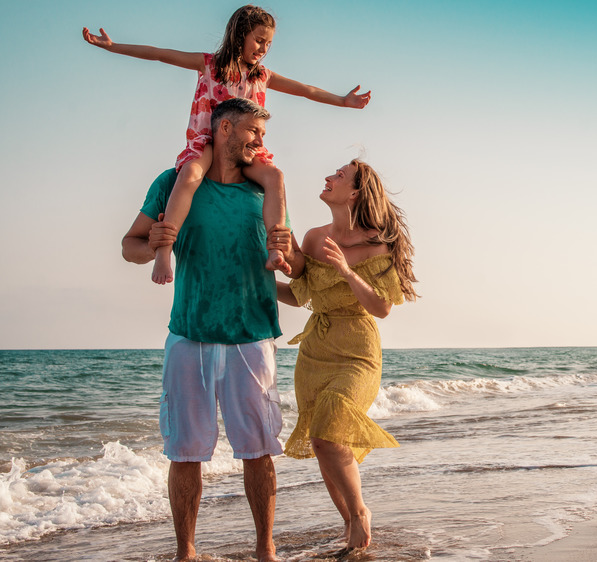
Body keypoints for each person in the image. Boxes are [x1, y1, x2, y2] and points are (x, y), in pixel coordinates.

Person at [122, 97, 303, 562]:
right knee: (184, 453)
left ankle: (266, 549)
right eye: (252, 132)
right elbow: (129, 246)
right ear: (224, 129)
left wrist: (290, 251)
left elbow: (295, 265)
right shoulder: (174, 183)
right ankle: (186, 553)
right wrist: (156, 244)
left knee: (258, 449)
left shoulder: (265, 191)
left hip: (252, 335)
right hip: (189, 334)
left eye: (262, 135)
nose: (260, 144)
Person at [84, 4, 371, 284]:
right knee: (190, 175)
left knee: (275, 177)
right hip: (209, 143)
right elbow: (160, 55)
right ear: (239, 36)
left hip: (247, 149)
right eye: (258, 40)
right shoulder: (209, 65)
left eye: (268, 43)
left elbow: (307, 91)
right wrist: (113, 46)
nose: (263, 48)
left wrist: (343, 102)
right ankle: (163, 252)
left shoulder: (263, 76)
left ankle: (275, 250)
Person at [276, 159, 418, 552]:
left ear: (354, 192)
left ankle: (359, 514)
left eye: (338, 176)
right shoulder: (312, 237)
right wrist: (258, 281)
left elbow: (383, 307)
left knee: (332, 426)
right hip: (315, 350)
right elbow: (300, 295)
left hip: (357, 351)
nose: (328, 177)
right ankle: (350, 523)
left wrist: (346, 270)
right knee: (322, 441)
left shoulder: (378, 243)